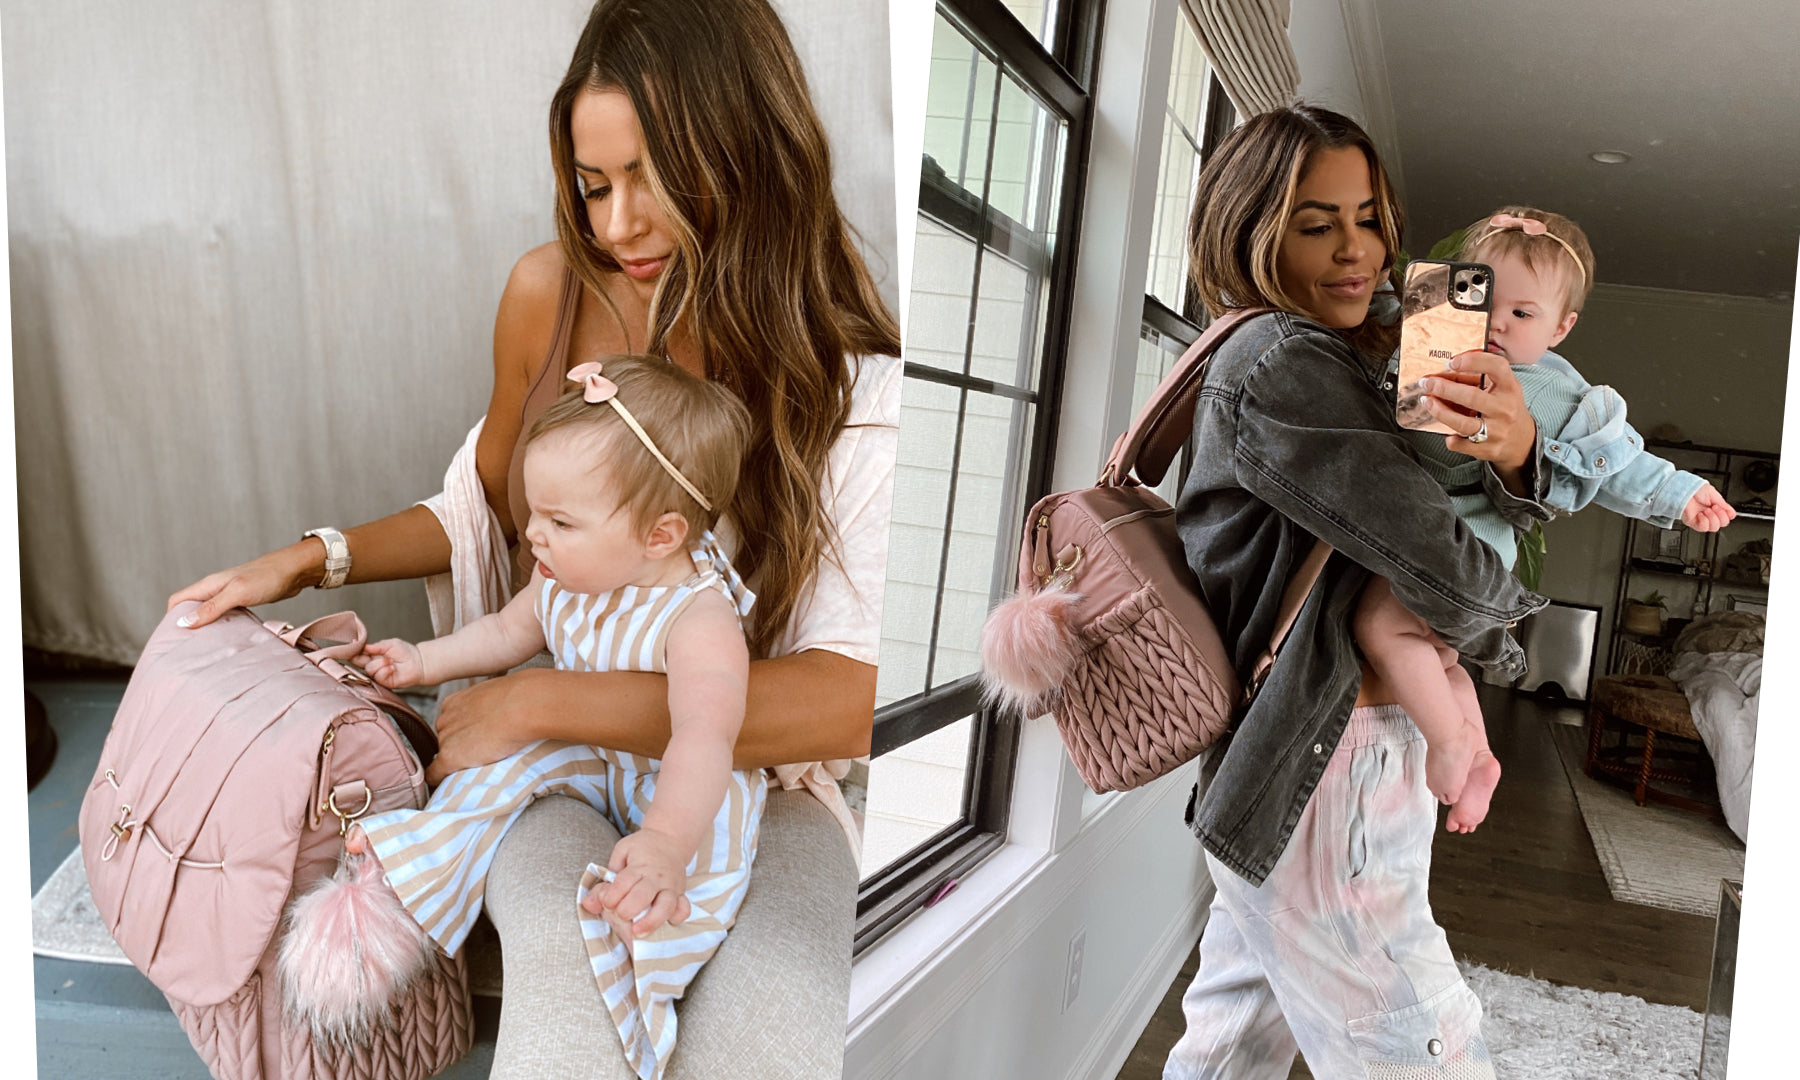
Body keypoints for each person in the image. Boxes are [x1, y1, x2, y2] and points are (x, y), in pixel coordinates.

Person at [169, 1, 902, 1076]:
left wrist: (539, 696)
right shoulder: (548, 296)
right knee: (568, 954)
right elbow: (484, 507)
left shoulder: (846, 385)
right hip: (551, 770)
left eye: (653, 176)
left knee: (775, 1014)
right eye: (593, 184)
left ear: (748, 152)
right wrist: (306, 559)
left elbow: (847, 696)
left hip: (760, 772)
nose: (616, 225)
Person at [1161, 104, 1550, 1079]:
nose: (1358, 252)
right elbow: (1434, 557)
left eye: (1370, 217)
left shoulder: (1306, 355)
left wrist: (1513, 453)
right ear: (1249, 227)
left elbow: (1408, 526)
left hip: (1294, 756)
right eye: (1315, 221)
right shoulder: (1285, 363)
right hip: (1334, 762)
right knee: (1425, 1049)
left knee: (1230, 1050)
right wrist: (1507, 648)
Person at [1353, 205, 1736, 833]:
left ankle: (1446, 744)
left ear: (1561, 327)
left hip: (1462, 545)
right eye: (1482, 298)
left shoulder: (1565, 396)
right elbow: (1375, 313)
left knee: (1383, 628)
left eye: (1522, 314)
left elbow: (1620, 464)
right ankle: (1479, 758)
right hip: (1422, 538)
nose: (1497, 322)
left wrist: (1682, 495)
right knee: (1441, 661)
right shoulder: (1437, 332)